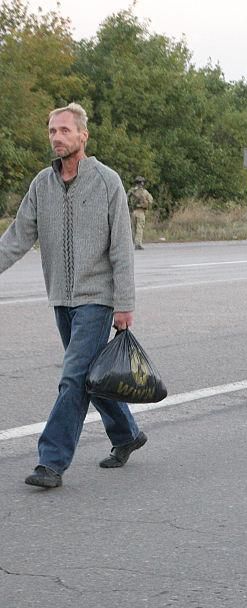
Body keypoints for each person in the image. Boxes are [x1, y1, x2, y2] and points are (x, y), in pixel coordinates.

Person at [0, 103, 148, 488]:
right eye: (52, 131)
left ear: (83, 135)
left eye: (65, 130)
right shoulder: (42, 184)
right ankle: (127, 434)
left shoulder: (107, 181)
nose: (57, 137)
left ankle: (51, 462)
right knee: (90, 378)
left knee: (73, 378)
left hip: (97, 298)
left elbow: (122, 247)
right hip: (61, 299)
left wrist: (124, 303)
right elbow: (17, 237)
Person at [127, 176, 154, 251]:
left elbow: (126, 199)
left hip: (133, 212)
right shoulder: (144, 192)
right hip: (141, 212)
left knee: (133, 228)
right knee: (140, 228)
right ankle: (138, 244)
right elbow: (151, 200)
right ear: (142, 183)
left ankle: (131, 243)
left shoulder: (131, 191)